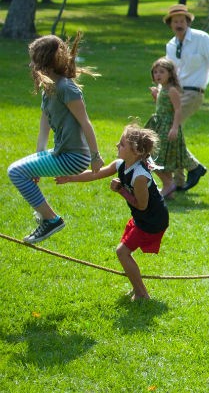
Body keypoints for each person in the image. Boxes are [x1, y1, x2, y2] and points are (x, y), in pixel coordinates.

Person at [8, 33, 104, 244]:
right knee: (20, 171)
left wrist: (96, 156)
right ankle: (46, 217)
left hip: (75, 158)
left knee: (15, 171)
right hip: (61, 152)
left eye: (34, 58)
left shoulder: (66, 87)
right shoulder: (49, 87)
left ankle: (51, 219)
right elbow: (44, 124)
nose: (32, 64)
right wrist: (38, 156)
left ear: (44, 60)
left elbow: (85, 122)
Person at [56, 125, 168, 301]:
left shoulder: (140, 176)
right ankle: (137, 288)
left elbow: (142, 205)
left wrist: (121, 190)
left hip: (152, 220)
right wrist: (70, 178)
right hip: (142, 218)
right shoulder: (121, 165)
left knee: (122, 252)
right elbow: (95, 174)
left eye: (122, 144)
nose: (117, 145)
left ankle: (142, 293)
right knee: (124, 251)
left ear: (136, 151)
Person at [159, 4, 209, 192]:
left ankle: (193, 167)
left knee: (170, 127)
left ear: (188, 22)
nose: (179, 24)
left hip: (194, 92)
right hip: (175, 92)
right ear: (170, 24)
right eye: (175, 21)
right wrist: (160, 90)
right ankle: (179, 181)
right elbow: (169, 70)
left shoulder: (201, 38)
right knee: (173, 132)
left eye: (182, 21)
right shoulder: (171, 45)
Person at [145, 57, 190, 199]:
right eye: (155, 72)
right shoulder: (161, 89)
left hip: (167, 127)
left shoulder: (172, 90)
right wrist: (156, 96)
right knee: (159, 157)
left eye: (162, 72)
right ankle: (169, 189)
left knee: (157, 158)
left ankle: (168, 184)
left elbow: (177, 109)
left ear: (170, 74)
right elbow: (162, 107)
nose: (158, 75)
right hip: (158, 125)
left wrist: (175, 128)